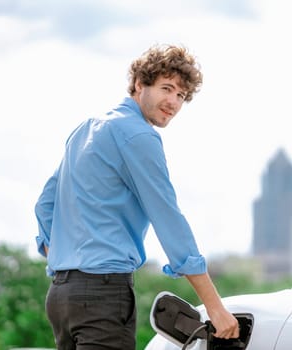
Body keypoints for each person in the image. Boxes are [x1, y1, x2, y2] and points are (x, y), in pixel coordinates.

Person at [34, 44, 239, 349]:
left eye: (181, 95)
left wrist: (68, 265)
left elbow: (44, 206)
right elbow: (169, 220)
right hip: (102, 294)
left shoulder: (86, 129)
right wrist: (215, 307)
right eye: (166, 88)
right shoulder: (138, 135)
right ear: (140, 84)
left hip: (62, 296)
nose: (173, 102)